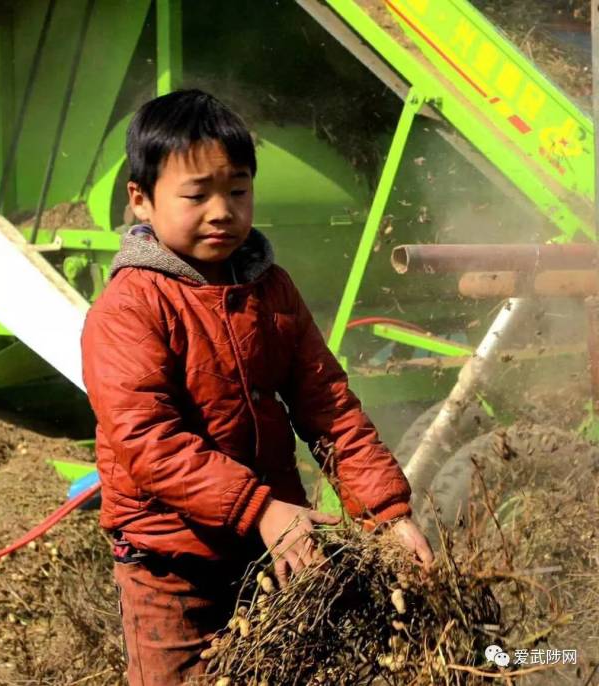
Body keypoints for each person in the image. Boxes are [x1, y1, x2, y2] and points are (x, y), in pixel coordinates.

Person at [81, 89, 433, 686]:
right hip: (171, 561)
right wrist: (261, 508)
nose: (222, 211)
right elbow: (149, 443)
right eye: (196, 195)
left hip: (270, 541)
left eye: (238, 191)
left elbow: (328, 405)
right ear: (141, 200)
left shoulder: (271, 289)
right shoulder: (129, 308)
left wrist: (386, 512)